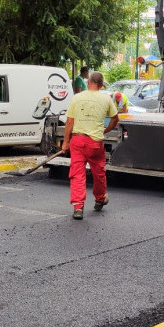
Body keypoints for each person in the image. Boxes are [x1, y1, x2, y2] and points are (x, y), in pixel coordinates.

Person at [61, 72, 118, 220]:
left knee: (77, 174)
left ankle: (78, 207)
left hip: (78, 141)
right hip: (95, 142)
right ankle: (100, 198)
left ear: (88, 81)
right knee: (98, 173)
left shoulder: (77, 98)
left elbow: (69, 123)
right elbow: (115, 119)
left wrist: (66, 142)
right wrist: (105, 130)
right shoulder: (106, 99)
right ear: (100, 85)